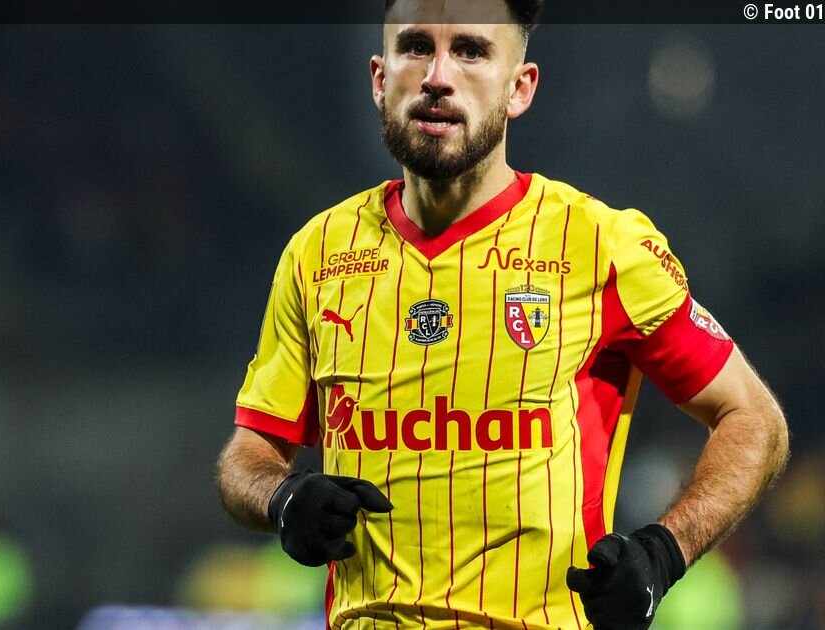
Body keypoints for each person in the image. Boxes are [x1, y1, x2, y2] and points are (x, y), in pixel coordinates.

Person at [214, 1, 790, 628]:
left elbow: (755, 419)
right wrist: (281, 497)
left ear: (519, 88)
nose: (438, 76)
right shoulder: (317, 253)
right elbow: (249, 453)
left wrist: (664, 552)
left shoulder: (601, 245)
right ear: (380, 79)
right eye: (416, 47)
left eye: (470, 50)